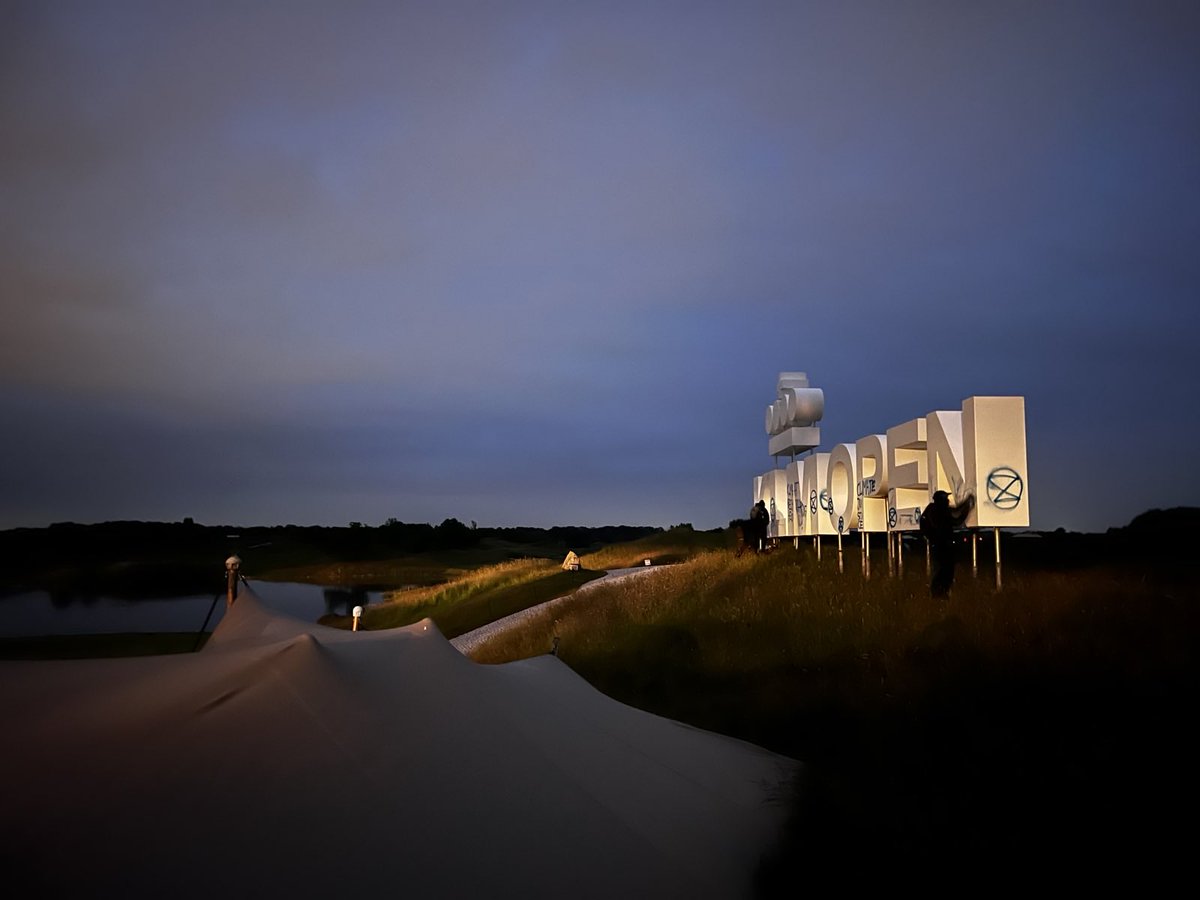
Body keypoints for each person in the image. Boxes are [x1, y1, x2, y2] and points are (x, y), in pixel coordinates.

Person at [919, 490, 975, 598]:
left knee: (940, 571)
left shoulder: (931, 509)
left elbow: (955, 510)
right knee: (946, 572)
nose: (948, 500)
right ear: (942, 500)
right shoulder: (940, 511)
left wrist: (966, 502)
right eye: (946, 498)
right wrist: (968, 508)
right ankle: (940, 595)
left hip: (937, 546)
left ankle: (938, 595)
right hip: (943, 546)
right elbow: (957, 520)